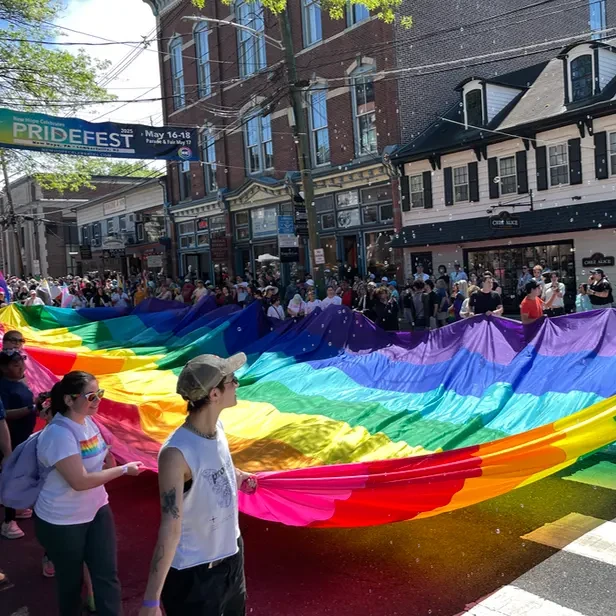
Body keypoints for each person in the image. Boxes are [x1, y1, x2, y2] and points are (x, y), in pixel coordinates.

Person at [139, 353, 257, 616]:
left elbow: (215, 470)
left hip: (232, 559)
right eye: (232, 380)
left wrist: (239, 478)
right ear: (214, 394)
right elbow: (170, 528)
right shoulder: (175, 454)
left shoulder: (219, 429)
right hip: (196, 577)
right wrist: (150, 601)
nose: (237, 384)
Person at [34, 372, 144, 616]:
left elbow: (101, 459)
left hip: (96, 510)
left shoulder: (89, 421)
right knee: (70, 583)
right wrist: (123, 469)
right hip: (62, 521)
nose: (97, 400)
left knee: (107, 576)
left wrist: (109, 461)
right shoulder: (58, 434)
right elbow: (80, 481)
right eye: (91, 396)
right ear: (70, 400)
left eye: (100, 394)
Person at [0, 350, 35, 539]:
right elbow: (4, 415)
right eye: (15, 364)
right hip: (8, 440)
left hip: (21, 438)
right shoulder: (3, 387)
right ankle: (8, 521)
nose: (21, 366)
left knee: (18, 475)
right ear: (4, 369)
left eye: (21, 362)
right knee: (10, 477)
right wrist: (31, 409)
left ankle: (15, 507)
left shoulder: (20, 382)